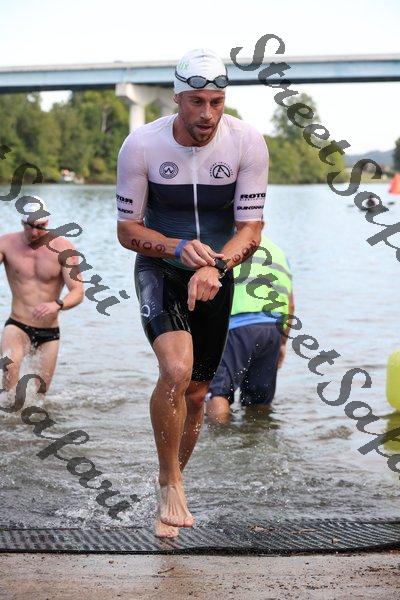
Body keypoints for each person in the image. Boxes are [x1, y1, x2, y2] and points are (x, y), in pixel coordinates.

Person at [116, 48, 269, 538]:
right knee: (176, 371)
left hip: (216, 273)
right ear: (177, 98)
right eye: (197, 102)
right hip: (161, 267)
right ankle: (170, 482)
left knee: (199, 394)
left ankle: (171, 480)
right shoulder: (142, 144)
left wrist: (217, 264)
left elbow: (251, 229)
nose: (207, 114)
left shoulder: (247, 141)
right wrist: (178, 248)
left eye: (217, 102)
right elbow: (127, 230)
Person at [0, 197, 84, 399]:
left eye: (40, 226)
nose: (34, 232)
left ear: (47, 221)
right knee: (10, 369)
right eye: (30, 226)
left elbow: (78, 291)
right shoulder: (6, 244)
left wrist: (58, 304)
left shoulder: (64, 248)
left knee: (39, 396)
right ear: (22, 222)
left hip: (49, 332)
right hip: (17, 325)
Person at [206, 235, 294, 423]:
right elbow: (291, 304)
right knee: (258, 399)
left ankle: (218, 437)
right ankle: (257, 434)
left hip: (236, 326)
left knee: (218, 392)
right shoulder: (279, 253)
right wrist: (283, 343)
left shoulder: (224, 246)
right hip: (272, 330)